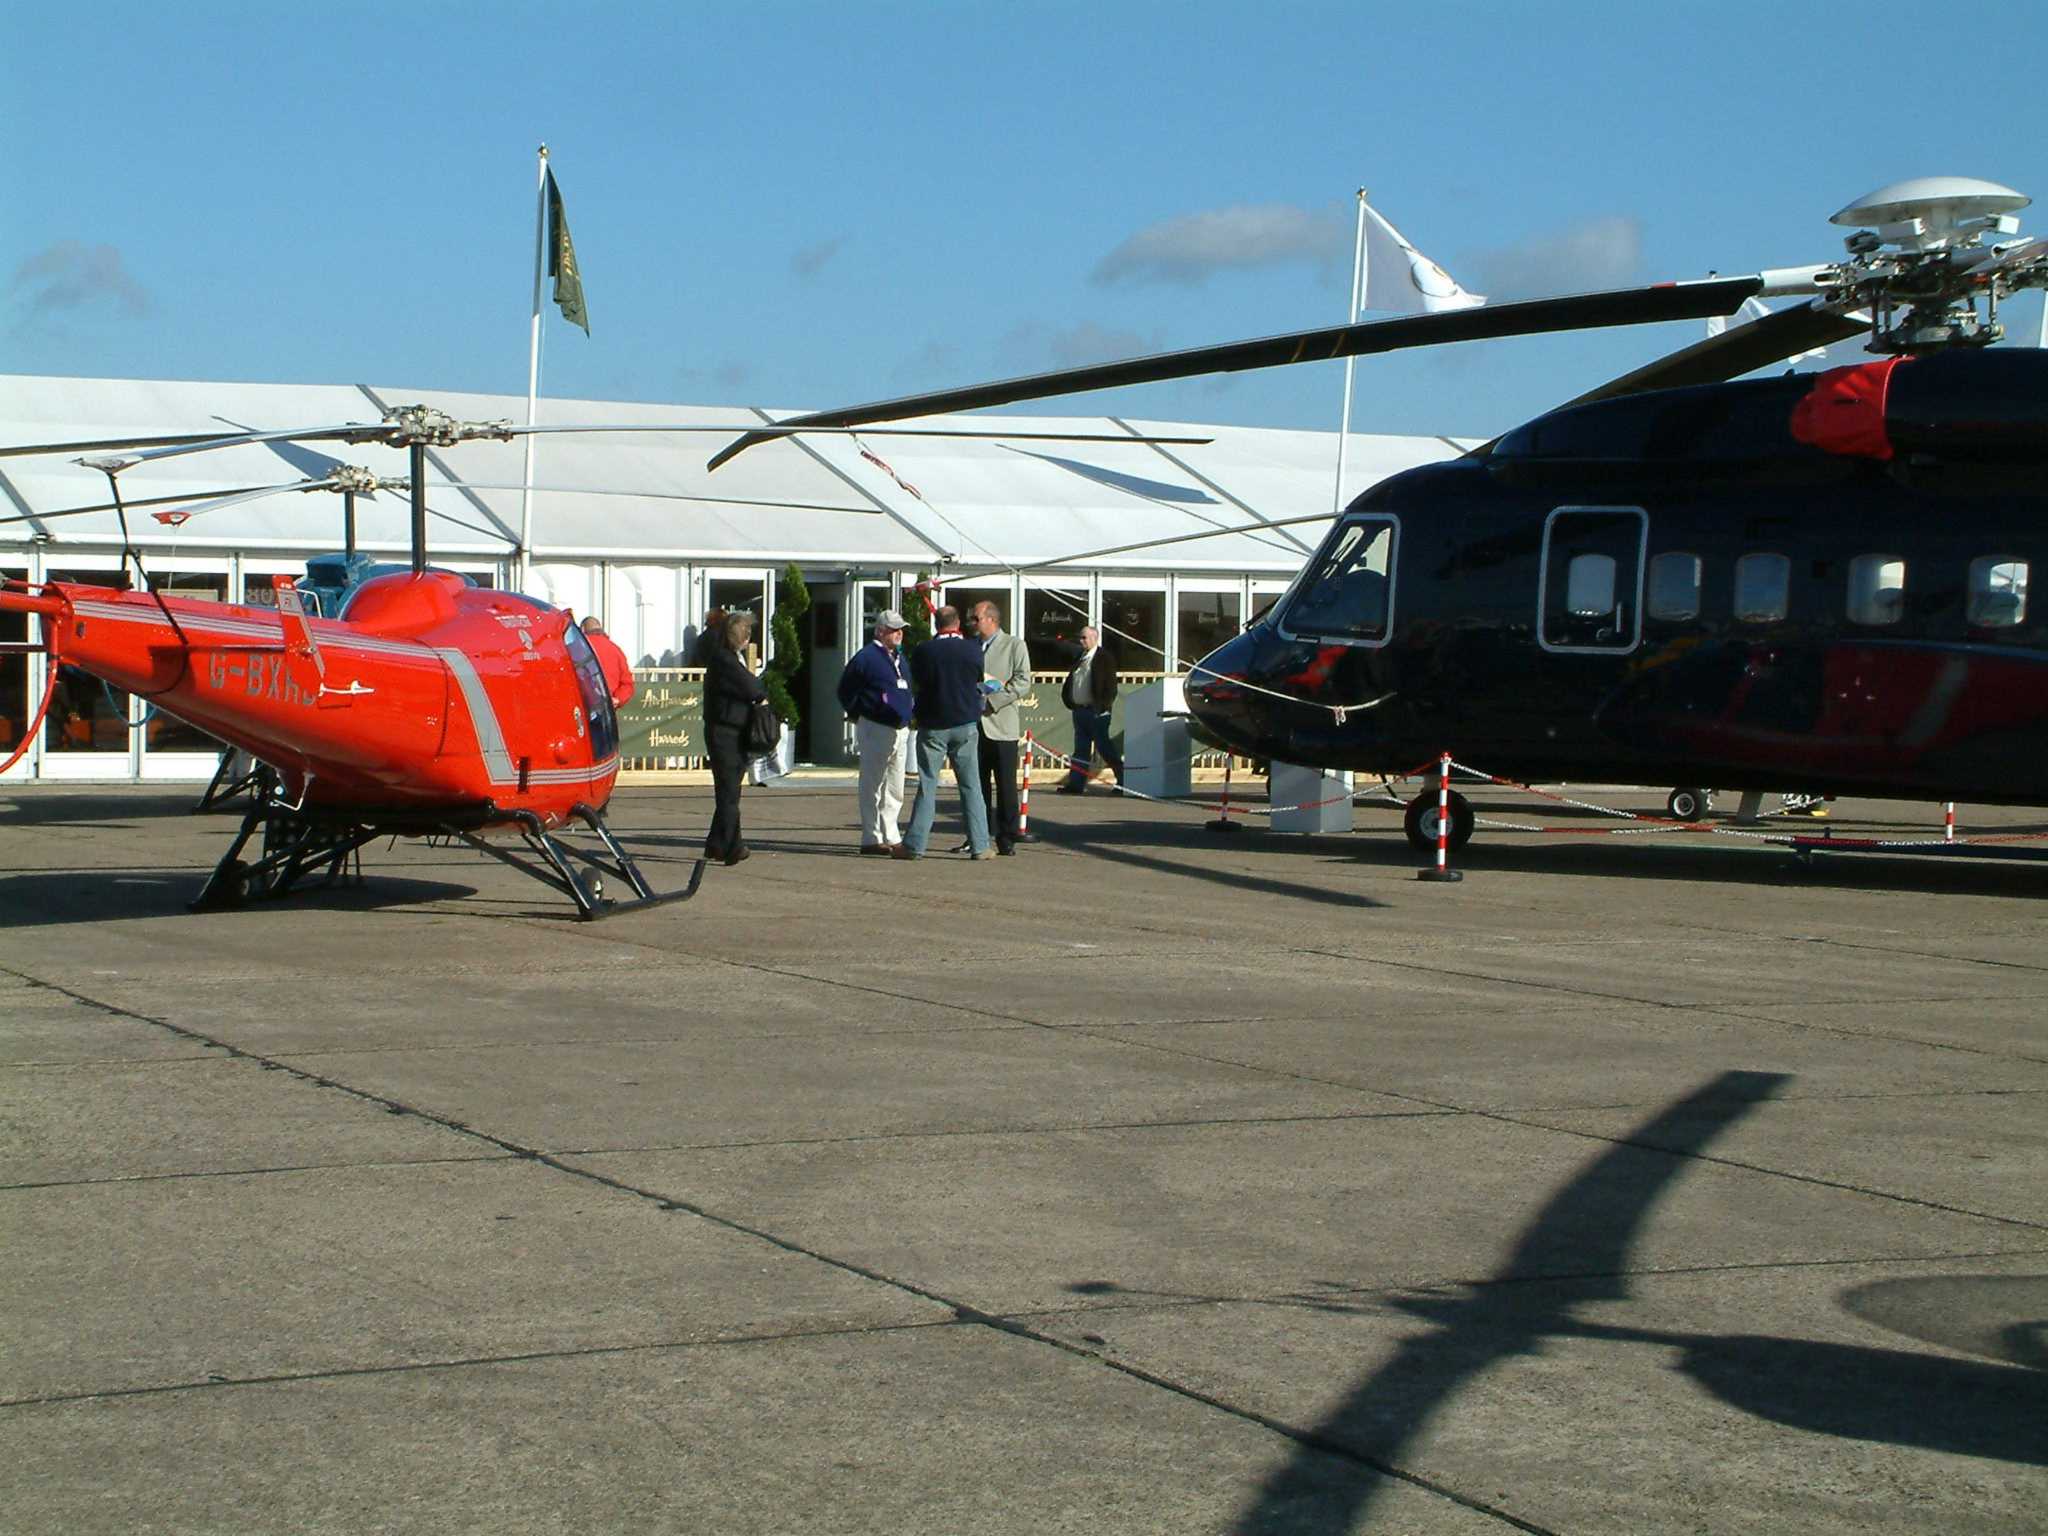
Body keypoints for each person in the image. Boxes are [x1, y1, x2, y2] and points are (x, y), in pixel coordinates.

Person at [897, 605, 993, 859]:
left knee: (928, 785)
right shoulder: (973, 649)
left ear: (936, 624)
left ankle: (915, 845)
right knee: (971, 786)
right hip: (965, 722)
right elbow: (978, 679)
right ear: (958, 623)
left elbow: (916, 681)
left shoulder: (924, 651)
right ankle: (980, 845)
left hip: (933, 723)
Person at [836, 608, 914, 854]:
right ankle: (871, 837)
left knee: (895, 786)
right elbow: (845, 690)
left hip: (899, 728)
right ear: (880, 631)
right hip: (876, 726)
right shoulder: (866, 658)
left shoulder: (899, 658)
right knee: (873, 784)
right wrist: (860, 712)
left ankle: (891, 835)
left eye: (901, 629)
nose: (899, 634)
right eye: (893, 629)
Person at [700, 609, 768, 866]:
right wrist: (761, 689)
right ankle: (732, 846)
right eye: (744, 632)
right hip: (724, 732)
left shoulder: (727, 658)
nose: (747, 637)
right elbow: (752, 687)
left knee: (729, 790)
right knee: (728, 793)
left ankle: (717, 843)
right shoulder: (724, 660)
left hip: (730, 730)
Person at [968, 599, 1032, 855]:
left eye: (976, 619)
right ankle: (977, 835)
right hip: (974, 726)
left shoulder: (1014, 645)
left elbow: (1022, 681)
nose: (973, 623)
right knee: (976, 785)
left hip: (1002, 725)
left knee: (1005, 786)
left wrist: (993, 701)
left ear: (991, 620)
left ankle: (1006, 837)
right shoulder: (970, 646)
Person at [1057, 625, 1123, 794]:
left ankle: (1123, 781)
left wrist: (1103, 707)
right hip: (1079, 710)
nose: (1081, 641)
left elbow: (1111, 686)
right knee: (1080, 750)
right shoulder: (1080, 656)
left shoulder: (1104, 657)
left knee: (1104, 747)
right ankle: (1076, 784)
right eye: (1080, 638)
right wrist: (1069, 700)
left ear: (1095, 638)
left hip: (1097, 711)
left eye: (1084, 638)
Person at [579, 615, 635, 707]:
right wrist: (617, 699)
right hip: (607, 709)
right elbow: (627, 684)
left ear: (582, 629)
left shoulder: (576, 648)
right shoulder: (616, 650)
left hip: (582, 707)